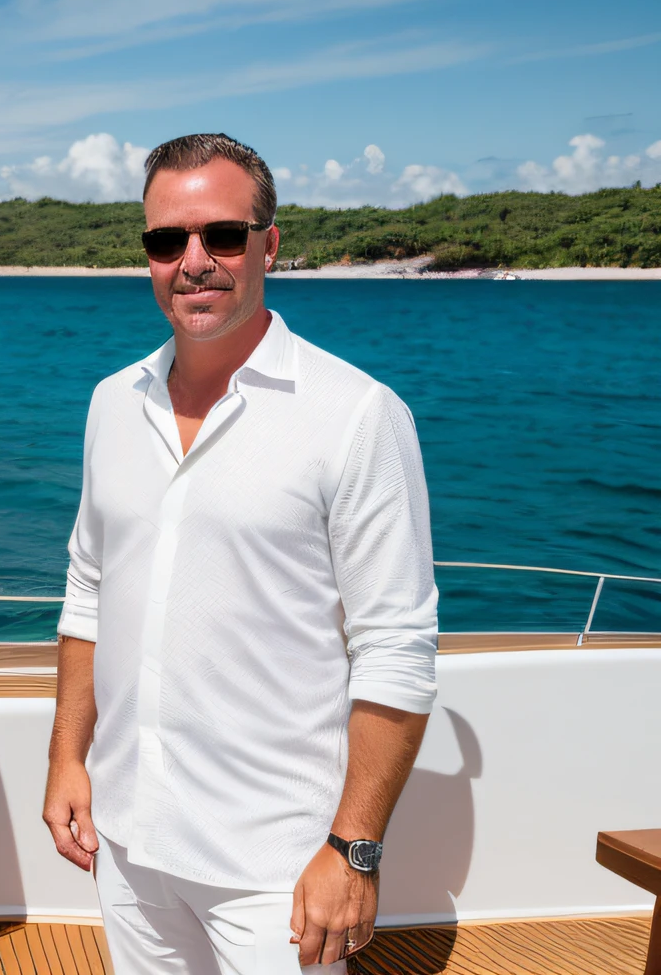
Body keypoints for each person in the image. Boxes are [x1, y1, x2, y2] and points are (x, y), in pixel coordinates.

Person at [42, 133, 439, 973]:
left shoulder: (356, 415)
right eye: (166, 241)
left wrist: (354, 851)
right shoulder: (114, 403)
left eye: (222, 236)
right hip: (130, 837)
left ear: (269, 243)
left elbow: (396, 651)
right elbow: (89, 592)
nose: (194, 262)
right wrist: (66, 758)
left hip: (278, 862)